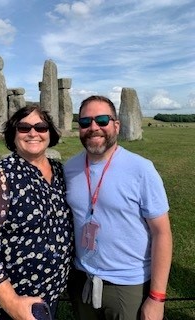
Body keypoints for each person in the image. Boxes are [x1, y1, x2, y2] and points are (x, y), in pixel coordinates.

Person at [0, 105, 74, 320]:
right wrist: (12, 303)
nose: (33, 133)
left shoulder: (59, 171)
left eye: (41, 126)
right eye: (23, 127)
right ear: (13, 133)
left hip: (52, 291)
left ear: (50, 133)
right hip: (15, 299)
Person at [64, 95, 172, 320]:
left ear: (116, 124)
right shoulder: (70, 168)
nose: (94, 127)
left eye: (102, 120)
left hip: (128, 285)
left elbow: (161, 233)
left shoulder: (141, 169)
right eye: (85, 122)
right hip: (82, 279)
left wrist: (157, 297)